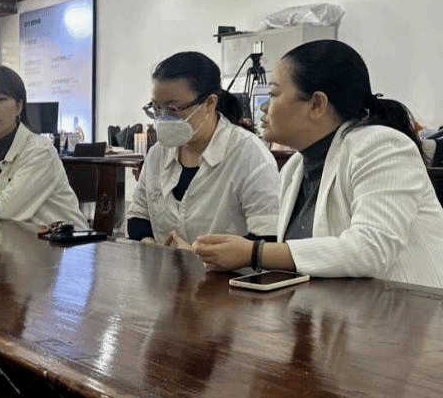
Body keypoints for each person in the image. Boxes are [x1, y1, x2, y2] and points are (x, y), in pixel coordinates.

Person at [194, 40, 443, 288]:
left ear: (316, 104)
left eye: (273, 94)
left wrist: (254, 253)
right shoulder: (294, 168)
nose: (264, 107)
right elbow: (309, 261)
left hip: (410, 308)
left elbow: (371, 249)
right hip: (338, 308)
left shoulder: (382, 146)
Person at [127, 51, 279, 248]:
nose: (163, 118)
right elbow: (138, 216)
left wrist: (201, 258)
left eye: (173, 108)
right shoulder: (158, 153)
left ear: (209, 103)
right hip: (163, 266)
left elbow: (267, 239)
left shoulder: (250, 156)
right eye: (156, 108)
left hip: (225, 269)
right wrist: (153, 248)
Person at [0, 65, 86, 228]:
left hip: (66, 241)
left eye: (1, 99)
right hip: (13, 239)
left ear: (19, 106)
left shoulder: (39, 150)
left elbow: (7, 211)